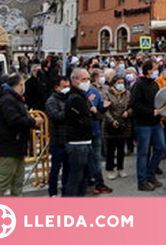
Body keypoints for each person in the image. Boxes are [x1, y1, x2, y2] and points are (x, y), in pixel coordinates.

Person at [0, 74, 43, 196]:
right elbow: (14, 120)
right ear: (19, 85)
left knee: (18, 182)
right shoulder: (8, 100)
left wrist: (32, 121)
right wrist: (33, 122)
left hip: (17, 147)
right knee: (3, 182)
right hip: (7, 148)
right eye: (22, 84)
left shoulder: (16, 99)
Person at [130, 60, 166, 191]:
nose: (156, 71)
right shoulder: (139, 85)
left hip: (155, 122)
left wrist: (160, 114)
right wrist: (151, 112)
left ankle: (150, 173)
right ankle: (142, 180)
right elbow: (135, 104)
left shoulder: (154, 84)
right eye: (155, 69)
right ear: (148, 70)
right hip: (143, 123)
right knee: (143, 152)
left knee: (160, 148)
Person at [64, 69, 96, 197]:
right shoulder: (75, 99)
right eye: (84, 79)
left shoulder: (82, 96)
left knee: (83, 177)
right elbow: (84, 120)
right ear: (74, 81)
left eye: (88, 79)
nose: (87, 82)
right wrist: (91, 114)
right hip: (77, 142)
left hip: (84, 140)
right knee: (76, 177)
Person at [45, 76, 71, 197]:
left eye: (68, 86)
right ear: (57, 88)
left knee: (67, 168)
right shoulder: (52, 101)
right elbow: (55, 116)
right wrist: (69, 110)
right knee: (55, 169)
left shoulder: (68, 99)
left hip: (68, 139)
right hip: (57, 140)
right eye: (64, 87)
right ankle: (53, 193)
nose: (67, 89)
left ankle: (65, 192)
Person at [103, 76, 132, 180]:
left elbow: (131, 106)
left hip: (124, 123)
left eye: (122, 82)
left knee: (121, 148)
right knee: (111, 149)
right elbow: (105, 109)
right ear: (114, 83)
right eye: (118, 82)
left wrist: (128, 112)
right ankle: (110, 169)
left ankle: (121, 168)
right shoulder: (107, 93)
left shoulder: (127, 93)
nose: (121, 84)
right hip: (111, 124)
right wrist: (111, 120)